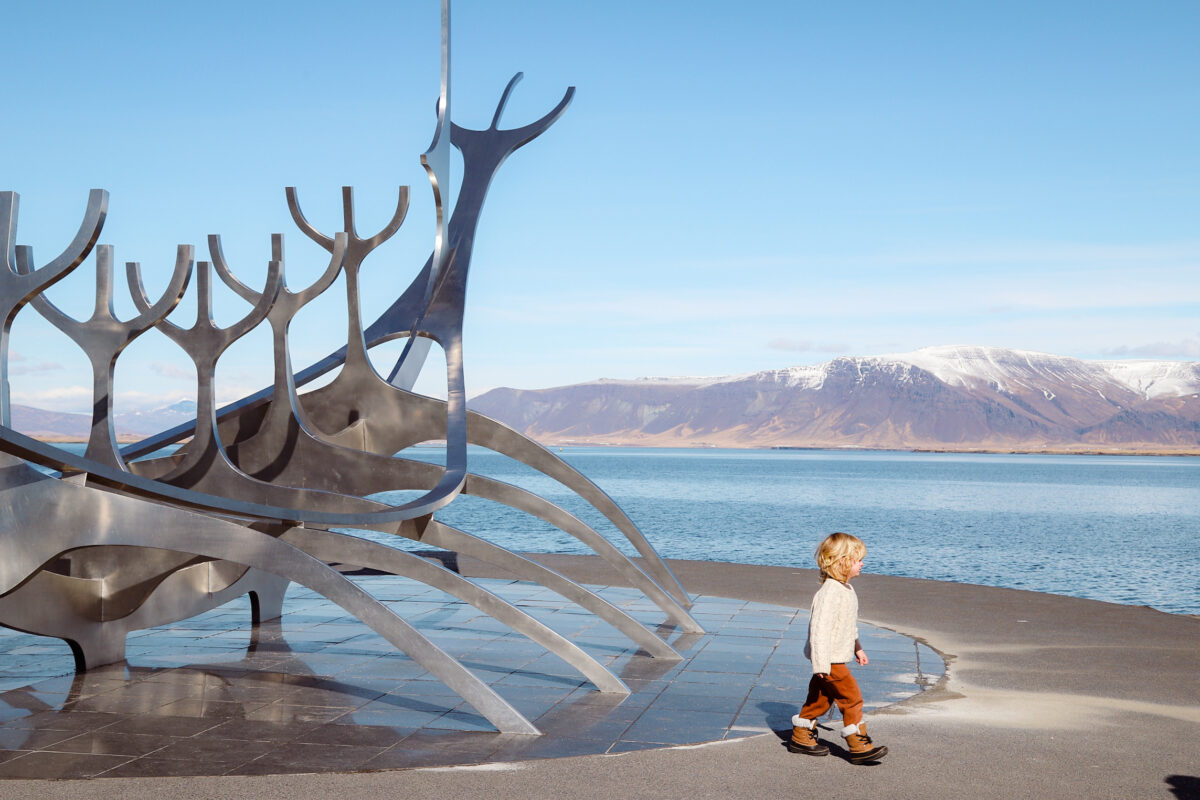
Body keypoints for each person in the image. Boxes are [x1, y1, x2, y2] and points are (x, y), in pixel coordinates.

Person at [787, 531, 888, 764]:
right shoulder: (830, 593)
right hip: (829, 659)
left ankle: (801, 735)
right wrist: (821, 663)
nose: (862, 563)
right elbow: (819, 631)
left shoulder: (846, 589)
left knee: (820, 700)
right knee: (852, 698)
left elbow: (847, 626)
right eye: (857, 559)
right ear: (842, 562)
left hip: (833, 657)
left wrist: (858, 647)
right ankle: (858, 744)